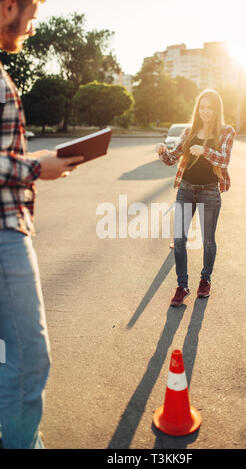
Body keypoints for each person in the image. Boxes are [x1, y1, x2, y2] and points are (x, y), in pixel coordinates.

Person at [0, 0, 84, 449]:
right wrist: (35, 169)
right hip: (3, 233)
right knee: (28, 358)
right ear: (8, 5)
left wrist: (36, 161)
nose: (32, 27)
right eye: (30, 15)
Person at [156, 89, 236, 307]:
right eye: (202, 107)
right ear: (198, 109)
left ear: (217, 109)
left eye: (210, 108)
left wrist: (205, 150)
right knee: (179, 240)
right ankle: (182, 286)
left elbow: (224, 160)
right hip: (186, 189)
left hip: (210, 191)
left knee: (208, 242)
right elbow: (173, 158)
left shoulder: (226, 131)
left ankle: (205, 280)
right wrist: (163, 152)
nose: (206, 111)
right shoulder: (190, 131)